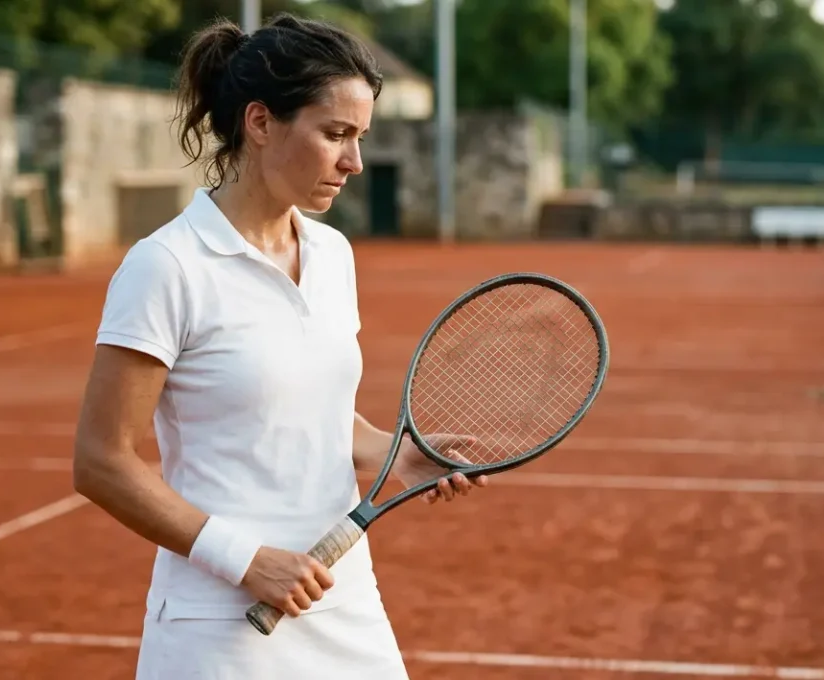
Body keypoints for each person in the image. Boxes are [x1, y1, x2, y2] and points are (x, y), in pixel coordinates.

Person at [71, 13, 487, 679]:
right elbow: (100, 461)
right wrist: (246, 560)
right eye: (335, 135)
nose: (354, 162)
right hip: (218, 626)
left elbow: (308, 411)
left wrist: (393, 453)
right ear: (260, 123)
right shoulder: (167, 267)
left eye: (360, 137)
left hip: (343, 600)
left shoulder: (332, 252)